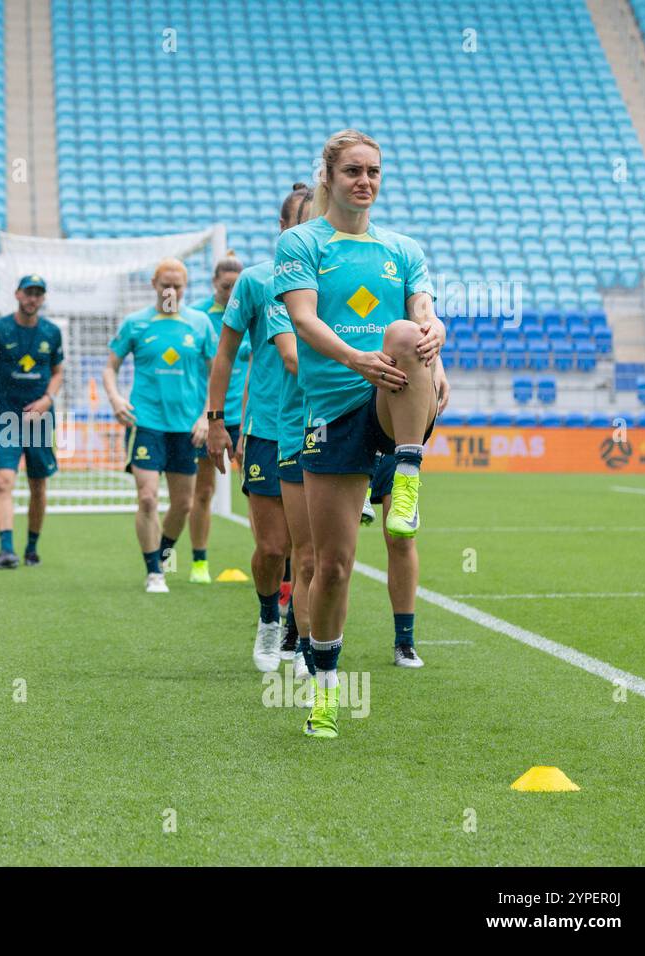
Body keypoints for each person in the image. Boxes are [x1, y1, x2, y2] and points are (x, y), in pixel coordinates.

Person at [271, 129, 444, 739]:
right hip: (332, 410)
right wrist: (356, 359)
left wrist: (436, 339)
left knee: (405, 333)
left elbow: (421, 313)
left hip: (388, 400)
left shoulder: (403, 248)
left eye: (373, 171)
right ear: (329, 176)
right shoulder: (301, 242)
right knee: (333, 566)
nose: (364, 181)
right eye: (352, 171)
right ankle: (325, 685)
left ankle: (408, 471)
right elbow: (303, 318)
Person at [208, 192, 314, 672]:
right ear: (282, 225)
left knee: (311, 552)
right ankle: (269, 621)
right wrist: (216, 422)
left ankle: (301, 634)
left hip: (321, 427)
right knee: (274, 548)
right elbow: (226, 355)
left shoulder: (332, 276)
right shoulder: (254, 282)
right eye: (302, 221)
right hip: (268, 429)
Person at [103, 259, 216, 593]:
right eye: (165, 284)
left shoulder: (199, 324)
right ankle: (154, 571)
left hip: (186, 426)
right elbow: (110, 367)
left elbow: (216, 375)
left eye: (177, 286)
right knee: (148, 498)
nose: (171, 291)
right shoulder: (136, 323)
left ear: (186, 287)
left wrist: (206, 417)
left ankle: (163, 554)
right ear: (154, 284)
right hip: (146, 422)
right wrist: (116, 398)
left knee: (183, 504)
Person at [0, 275, 64, 569]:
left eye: (38, 294)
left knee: (38, 487)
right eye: (28, 293)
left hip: (40, 421)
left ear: (43, 298)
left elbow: (58, 371)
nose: (33, 298)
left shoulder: (52, 332)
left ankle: (32, 547)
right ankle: (6, 549)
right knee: (2, 481)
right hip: (7, 418)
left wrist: (48, 399)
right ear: (17, 294)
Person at [263, 184, 317, 686]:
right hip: (295, 431)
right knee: (299, 552)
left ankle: (317, 644)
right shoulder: (284, 289)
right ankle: (297, 638)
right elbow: (292, 358)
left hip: (344, 423)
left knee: (331, 559)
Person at [367, 350, 449, 667]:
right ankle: (305, 636)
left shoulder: (407, 298)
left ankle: (405, 641)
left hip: (393, 416)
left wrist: (437, 367)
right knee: (330, 549)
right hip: (344, 409)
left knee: (401, 537)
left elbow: (423, 329)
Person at [186, 255, 243, 584]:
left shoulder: (251, 310)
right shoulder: (196, 316)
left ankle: (273, 565)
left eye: (237, 287)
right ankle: (198, 563)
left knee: (258, 492)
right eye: (226, 287)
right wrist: (204, 416)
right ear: (213, 284)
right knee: (203, 491)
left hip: (248, 416)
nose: (231, 292)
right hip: (208, 416)